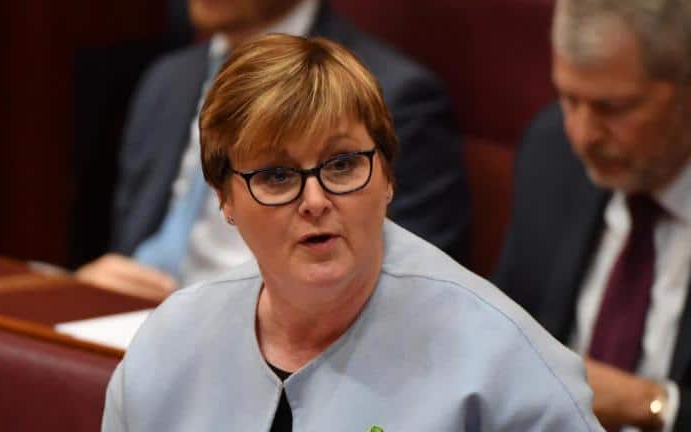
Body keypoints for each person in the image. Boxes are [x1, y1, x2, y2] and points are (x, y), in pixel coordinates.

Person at [102, 34, 602, 431]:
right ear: (224, 198)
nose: (315, 200)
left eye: (342, 165)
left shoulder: (500, 361)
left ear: (387, 177)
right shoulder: (171, 344)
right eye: (277, 175)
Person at [75, 0, 470, 300]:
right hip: (131, 319)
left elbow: (409, 291)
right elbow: (127, 240)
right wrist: (91, 288)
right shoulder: (166, 79)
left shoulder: (394, 94)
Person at [493, 0, 691, 430]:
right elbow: (502, 332)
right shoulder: (552, 153)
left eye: (613, 109)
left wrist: (653, 405)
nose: (582, 135)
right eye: (568, 99)